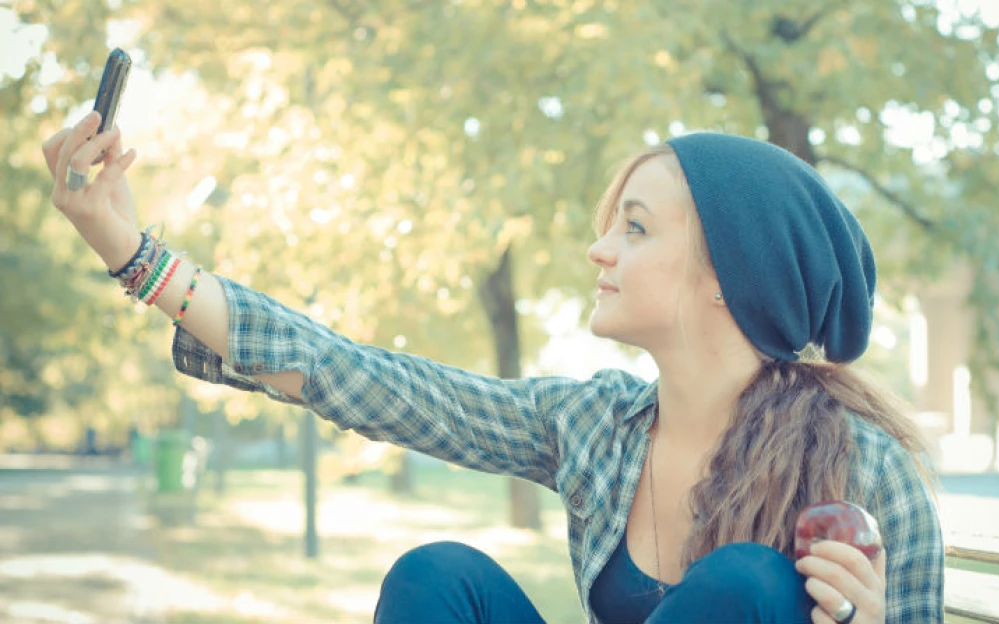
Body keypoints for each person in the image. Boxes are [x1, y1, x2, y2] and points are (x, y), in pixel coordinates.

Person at [43, 111, 944, 624]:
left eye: (634, 227)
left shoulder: (865, 472)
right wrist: (132, 252)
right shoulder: (595, 425)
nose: (598, 249)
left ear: (726, 278)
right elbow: (371, 383)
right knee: (437, 576)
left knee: (749, 584)